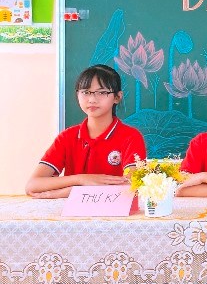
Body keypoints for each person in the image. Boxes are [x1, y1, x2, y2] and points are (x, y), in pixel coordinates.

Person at [26, 65, 146, 198]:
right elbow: (32, 185)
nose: (92, 99)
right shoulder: (67, 137)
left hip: (114, 209)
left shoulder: (131, 137)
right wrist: (81, 179)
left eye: (102, 92)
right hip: (72, 210)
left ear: (117, 97)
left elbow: (132, 186)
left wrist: (68, 192)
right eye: (85, 92)